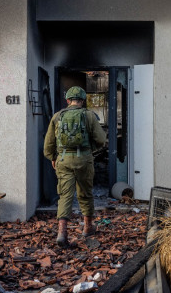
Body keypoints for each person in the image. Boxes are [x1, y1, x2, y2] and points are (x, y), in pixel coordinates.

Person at [44, 86, 107, 247]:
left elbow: (49, 143)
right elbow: (101, 140)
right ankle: (87, 228)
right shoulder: (89, 116)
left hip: (63, 160)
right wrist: (89, 150)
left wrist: (53, 157)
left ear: (68, 101)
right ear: (83, 100)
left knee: (65, 196)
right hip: (84, 160)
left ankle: (62, 233)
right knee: (85, 193)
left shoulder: (58, 116)